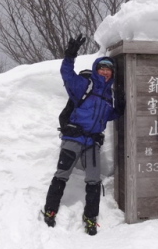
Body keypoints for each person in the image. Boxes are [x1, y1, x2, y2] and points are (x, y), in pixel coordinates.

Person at [42, 34, 124, 235]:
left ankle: (90, 217)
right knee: (62, 175)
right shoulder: (85, 85)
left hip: (93, 143)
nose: (105, 72)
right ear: (97, 69)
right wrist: (70, 55)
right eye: (102, 68)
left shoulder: (108, 95)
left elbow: (107, 116)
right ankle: (50, 210)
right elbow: (67, 74)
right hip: (74, 138)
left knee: (93, 181)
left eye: (108, 69)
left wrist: (119, 109)